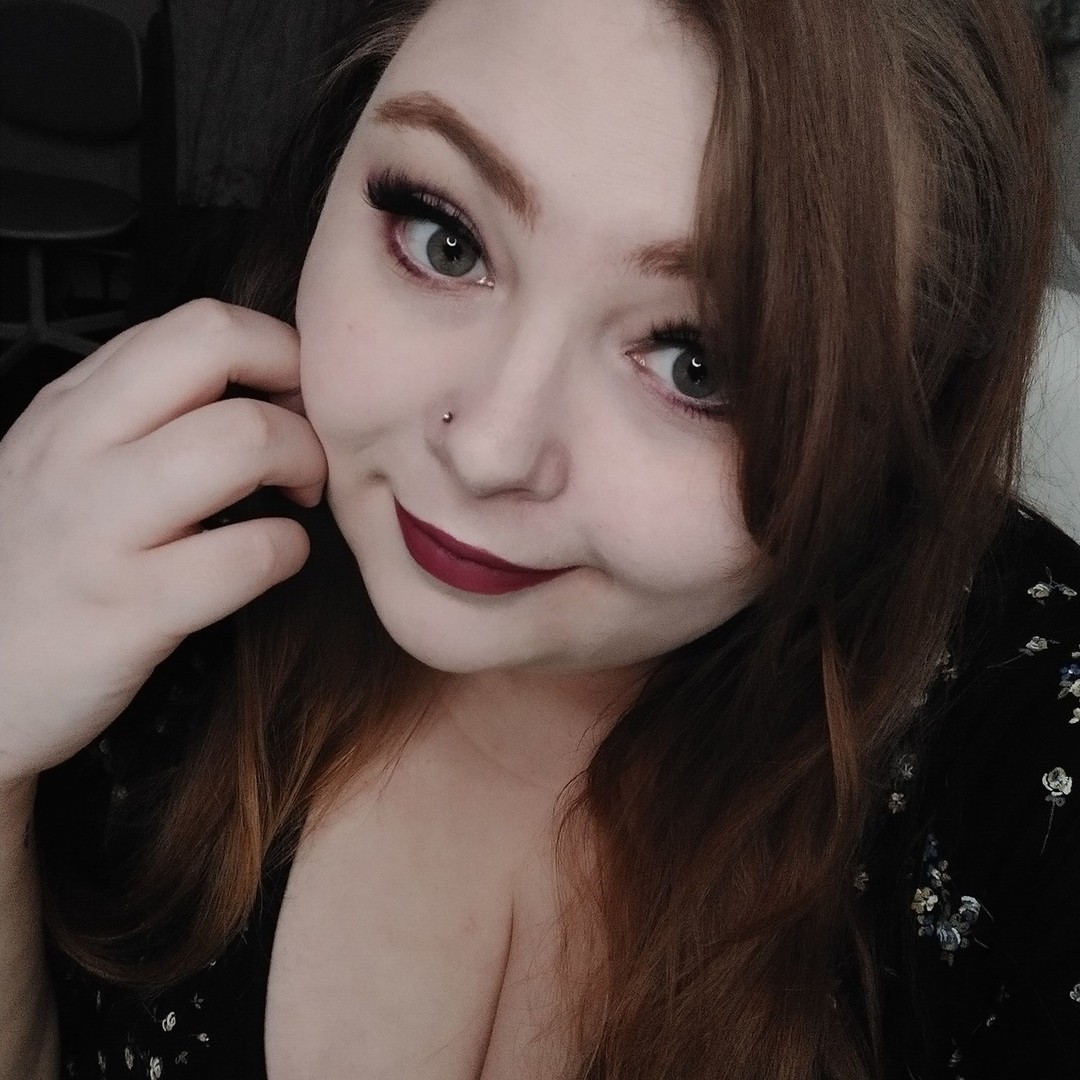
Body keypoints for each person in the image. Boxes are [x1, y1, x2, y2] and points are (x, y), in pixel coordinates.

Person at [1, 0, 1078, 1076]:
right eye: (445, 238)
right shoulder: (126, 550)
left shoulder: (1021, 753)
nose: (486, 453)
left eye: (701, 363)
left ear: (910, 408)